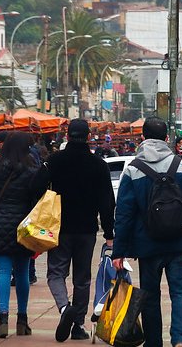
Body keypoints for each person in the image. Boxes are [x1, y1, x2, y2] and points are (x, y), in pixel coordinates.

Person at [112, 117, 182, 347]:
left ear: (142, 138)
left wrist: (119, 251)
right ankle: (179, 342)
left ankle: (154, 342)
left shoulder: (133, 170)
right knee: (181, 294)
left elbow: (124, 215)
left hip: (148, 246)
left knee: (150, 297)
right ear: (167, 139)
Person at [31, 119, 116, 342]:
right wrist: (109, 233)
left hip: (59, 228)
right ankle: (78, 324)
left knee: (56, 273)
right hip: (87, 230)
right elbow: (107, 202)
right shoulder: (98, 164)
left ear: (67, 136)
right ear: (89, 137)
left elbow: (34, 186)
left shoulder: (54, 161)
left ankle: (63, 308)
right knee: (82, 278)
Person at [0, 132, 40, 338]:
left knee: (3, 272)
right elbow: (37, 199)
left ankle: (2, 319)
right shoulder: (32, 168)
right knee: (22, 273)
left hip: (0, 223)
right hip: (24, 225)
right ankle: (22, 321)